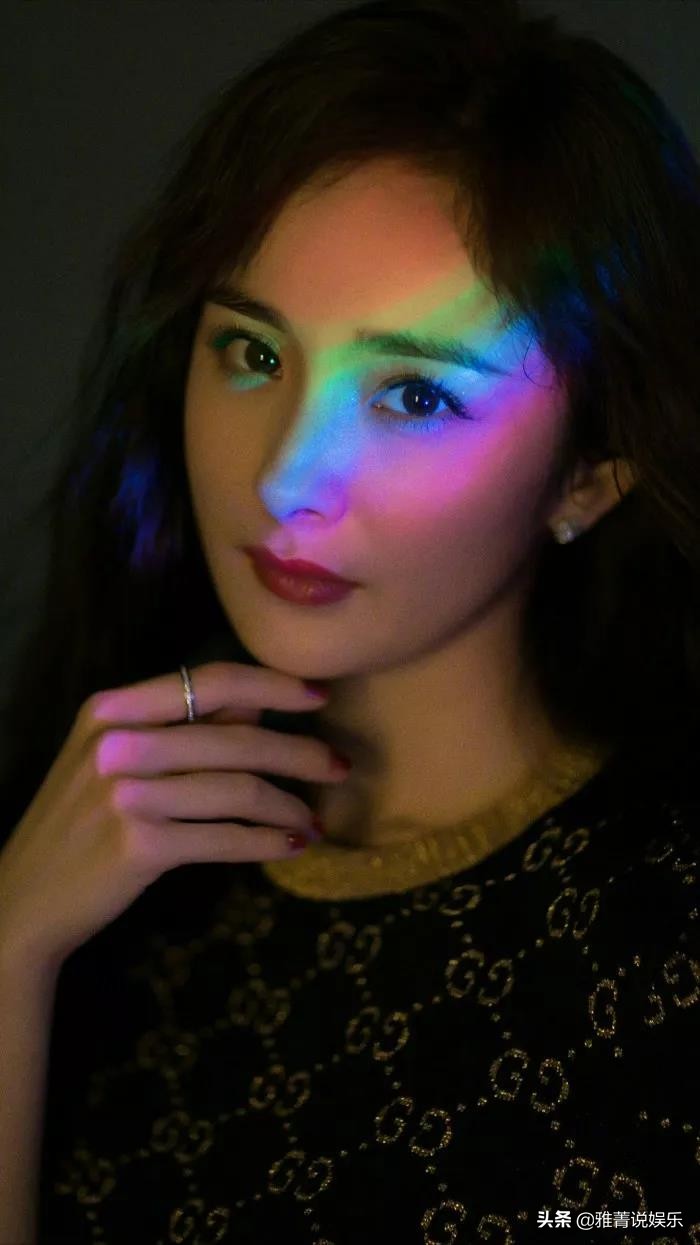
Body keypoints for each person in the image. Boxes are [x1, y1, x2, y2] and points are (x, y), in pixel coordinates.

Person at [0, 0, 699, 1240]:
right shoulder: (84, 859)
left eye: (415, 395)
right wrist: (12, 950)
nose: (284, 480)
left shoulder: (666, 938)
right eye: (254, 356)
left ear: (589, 476)